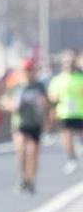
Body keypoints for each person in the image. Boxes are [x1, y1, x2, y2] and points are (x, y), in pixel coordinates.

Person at [9, 63, 49, 195]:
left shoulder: (39, 86)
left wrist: (46, 118)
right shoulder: (16, 86)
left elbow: (46, 104)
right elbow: (4, 101)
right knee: (21, 151)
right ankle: (23, 178)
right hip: (19, 123)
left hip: (35, 123)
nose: (28, 72)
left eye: (30, 70)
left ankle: (31, 180)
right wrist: (12, 105)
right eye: (25, 70)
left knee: (32, 152)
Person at [51, 50, 83, 174]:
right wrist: (53, 111)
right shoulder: (58, 80)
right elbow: (53, 97)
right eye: (66, 62)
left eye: (71, 62)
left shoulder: (81, 77)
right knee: (66, 137)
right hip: (65, 113)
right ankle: (71, 158)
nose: (68, 64)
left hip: (80, 112)